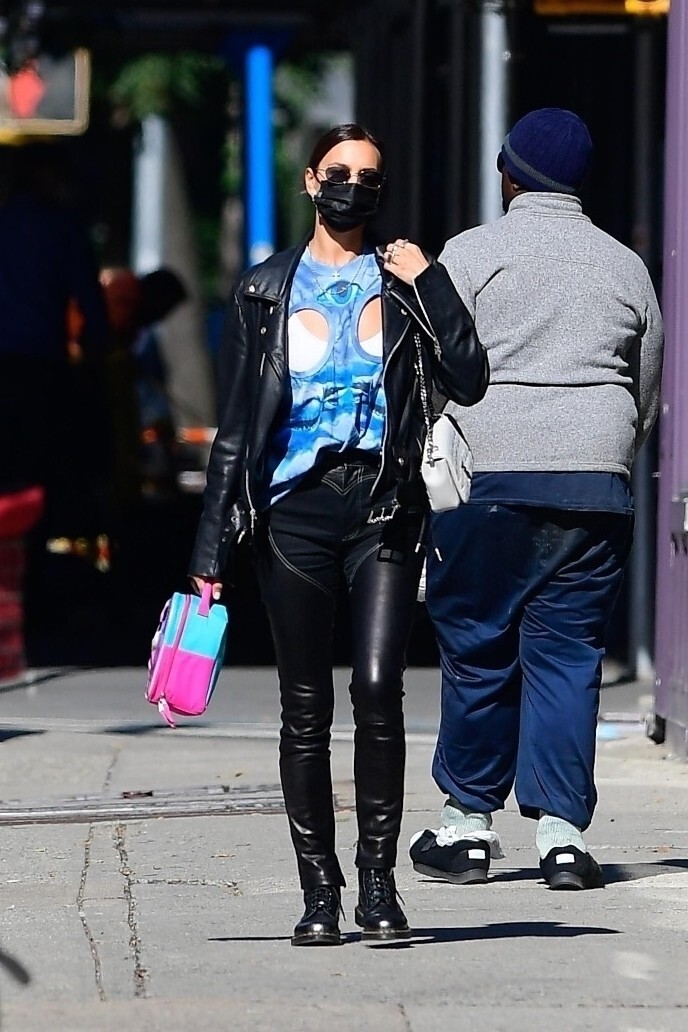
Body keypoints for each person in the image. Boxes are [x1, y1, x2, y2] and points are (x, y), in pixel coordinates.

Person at [189, 123, 487, 944]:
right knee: (305, 707)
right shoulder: (263, 291)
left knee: (380, 686)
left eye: (370, 178)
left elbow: (471, 375)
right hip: (294, 514)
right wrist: (208, 553)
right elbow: (235, 430)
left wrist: (431, 282)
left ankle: (379, 884)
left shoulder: (403, 281)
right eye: (340, 172)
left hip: (384, 505)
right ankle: (320, 892)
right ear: (310, 181)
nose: (355, 187)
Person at [409, 108, 664, 891]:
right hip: (594, 485)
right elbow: (646, 385)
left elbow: (434, 364)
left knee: (478, 646)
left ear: (510, 174)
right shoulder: (626, 267)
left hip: (491, 478)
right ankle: (563, 839)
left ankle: (467, 827)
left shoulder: (470, 254)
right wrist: (608, 454)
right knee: (569, 654)